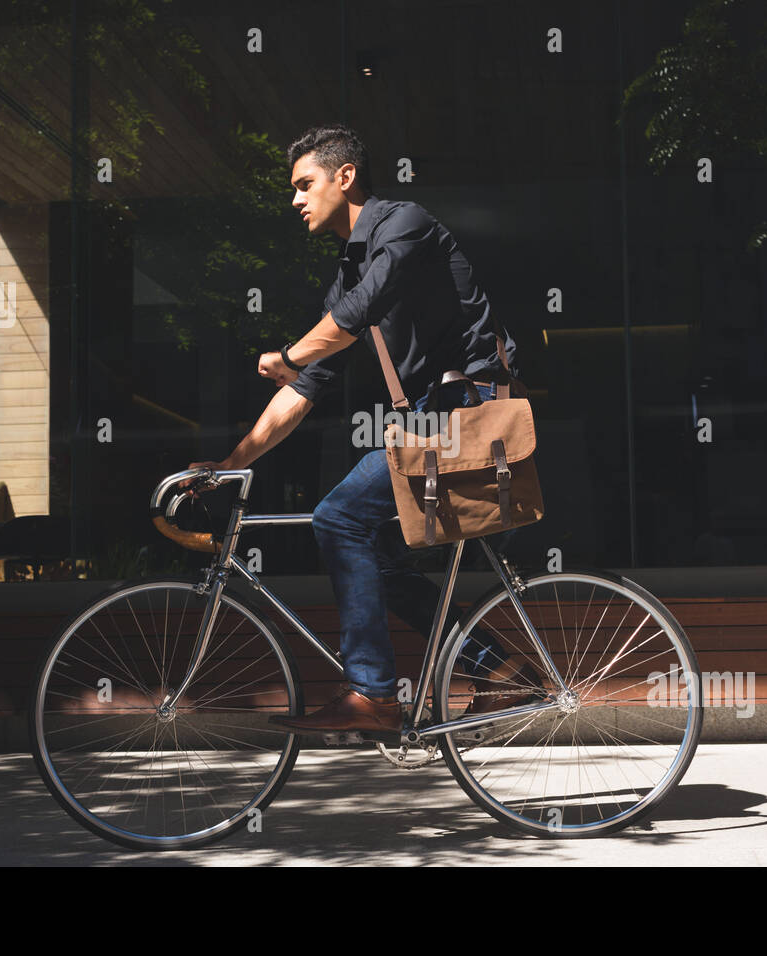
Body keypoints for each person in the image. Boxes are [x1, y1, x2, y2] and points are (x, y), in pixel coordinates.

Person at [187, 124, 540, 734]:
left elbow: (354, 316)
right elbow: (302, 393)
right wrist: (228, 464)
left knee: (338, 517)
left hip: (470, 408)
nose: (295, 200)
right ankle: (502, 671)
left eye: (304, 184)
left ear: (343, 176)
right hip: (434, 417)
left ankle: (374, 692)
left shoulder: (405, 224)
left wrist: (291, 354)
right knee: (380, 556)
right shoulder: (348, 273)